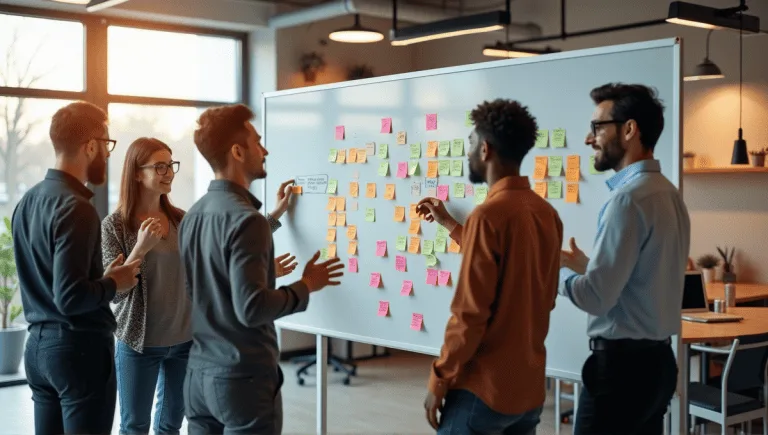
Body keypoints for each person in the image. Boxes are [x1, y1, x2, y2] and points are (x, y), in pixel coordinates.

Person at [102, 137, 299, 435]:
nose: (169, 172)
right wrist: (140, 248)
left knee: (170, 425)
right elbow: (115, 293)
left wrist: (274, 217)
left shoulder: (182, 219)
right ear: (137, 173)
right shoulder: (114, 226)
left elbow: (225, 251)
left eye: (171, 165)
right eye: (159, 166)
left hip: (185, 342)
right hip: (138, 345)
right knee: (134, 427)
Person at [179, 103, 344, 434]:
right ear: (238, 152)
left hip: (197, 376)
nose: (265, 150)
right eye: (257, 142)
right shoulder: (246, 220)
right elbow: (252, 308)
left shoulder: (193, 215)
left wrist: (275, 216)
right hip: (242, 379)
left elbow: (222, 265)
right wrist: (306, 284)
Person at [419, 99, 564, 434]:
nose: (468, 151)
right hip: (528, 392)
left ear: (485, 149)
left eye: (470, 142)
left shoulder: (487, 216)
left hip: (482, 391)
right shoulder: (546, 213)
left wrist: (439, 379)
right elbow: (530, 285)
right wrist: (449, 224)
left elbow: (469, 314)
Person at [559, 83, 690, 434]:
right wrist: (586, 266)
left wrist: (552, 271)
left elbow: (596, 298)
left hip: (620, 374)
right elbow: (641, 280)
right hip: (658, 366)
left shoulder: (627, 200)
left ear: (629, 129)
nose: (589, 139)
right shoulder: (668, 194)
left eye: (597, 127)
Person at [11, 101, 141, 435]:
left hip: (37, 350)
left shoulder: (27, 202)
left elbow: (53, 280)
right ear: (91, 146)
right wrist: (114, 283)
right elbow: (69, 297)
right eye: (107, 144)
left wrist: (101, 278)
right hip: (78, 351)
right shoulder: (77, 207)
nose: (108, 154)